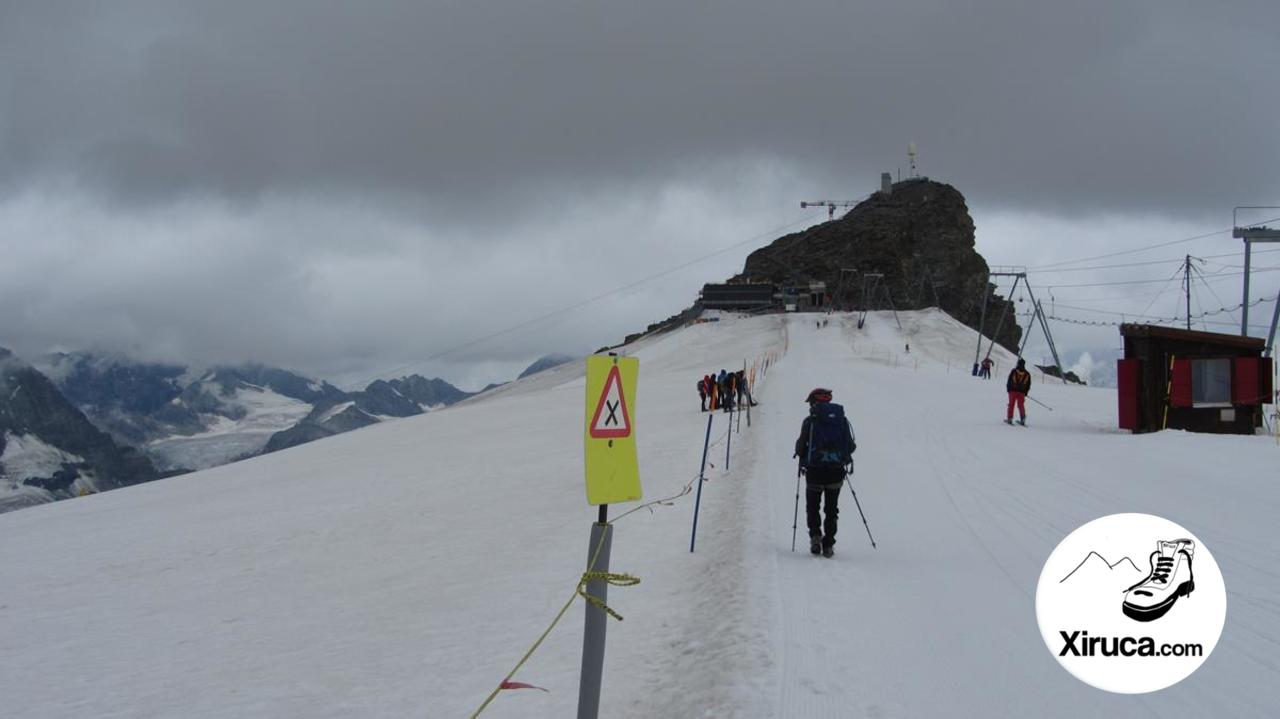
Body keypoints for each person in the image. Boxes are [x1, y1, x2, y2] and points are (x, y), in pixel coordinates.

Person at [794, 388, 857, 557]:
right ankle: (828, 544)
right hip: (836, 472)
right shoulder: (842, 421)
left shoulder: (810, 421)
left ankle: (815, 537)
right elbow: (851, 446)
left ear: (813, 403)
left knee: (812, 507)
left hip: (814, 471)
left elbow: (800, 447)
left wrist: (801, 453)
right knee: (831, 508)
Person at [1006, 358, 1032, 425]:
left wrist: (1008, 389)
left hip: (1012, 391)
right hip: (1022, 392)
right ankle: (1022, 419)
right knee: (1021, 405)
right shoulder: (1027, 374)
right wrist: (1025, 393)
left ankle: (1010, 419)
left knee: (1011, 405)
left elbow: (1009, 380)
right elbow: (1028, 385)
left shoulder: (1014, 371)